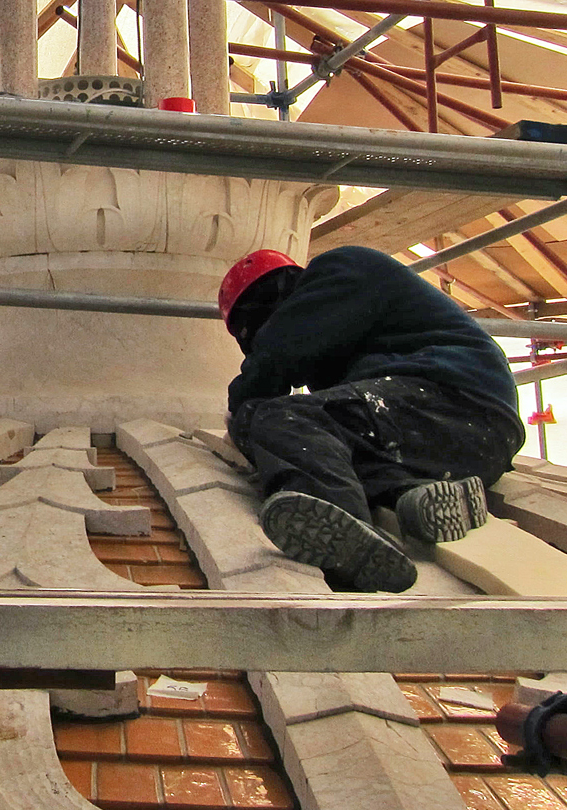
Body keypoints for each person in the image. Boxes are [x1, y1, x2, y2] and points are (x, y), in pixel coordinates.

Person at [221, 246, 524, 593]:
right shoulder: (340, 346)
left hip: (452, 398)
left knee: (283, 417)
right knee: (332, 455)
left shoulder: (341, 267)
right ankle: (415, 497)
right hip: (469, 439)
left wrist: (242, 409)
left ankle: (341, 529)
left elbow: (280, 350)